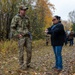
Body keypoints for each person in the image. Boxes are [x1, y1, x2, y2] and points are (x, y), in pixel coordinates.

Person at [10, 5, 32, 70]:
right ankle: (21, 65)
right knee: (21, 52)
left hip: (27, 36)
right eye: (23, 10)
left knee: (29, 51)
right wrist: (17, 34)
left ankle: (28, 64)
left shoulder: (27, 18)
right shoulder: (16, 18)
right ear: (20, 10)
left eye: (25, 10)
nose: (24, 11)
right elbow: (12, 28)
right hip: (21, 37)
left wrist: (30, 34)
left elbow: (29, 27)